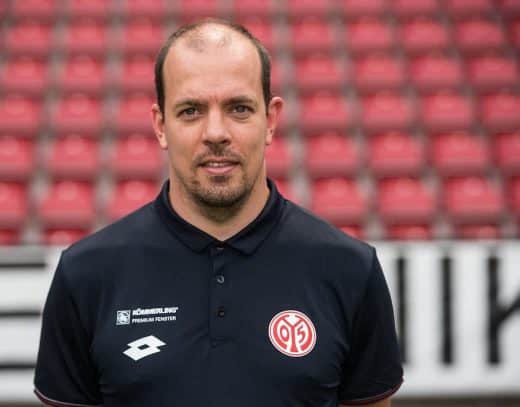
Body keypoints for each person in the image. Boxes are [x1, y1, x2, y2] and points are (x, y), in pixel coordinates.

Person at [34, 18, 403, 407]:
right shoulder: (86, 274)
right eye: (191, 111)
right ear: (160, 126)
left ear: (271, 120)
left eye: (239, 108)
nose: (215, 133)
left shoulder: (349, 268)